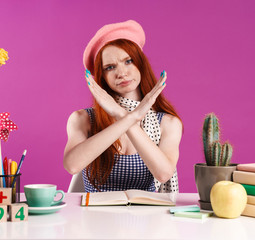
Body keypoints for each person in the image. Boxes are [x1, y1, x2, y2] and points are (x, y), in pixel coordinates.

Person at [64, 20, 183, 193]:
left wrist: (124, 117)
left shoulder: (168, 123)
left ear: (141, 64)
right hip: (92, 217)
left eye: (128, 61)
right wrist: (128, 117)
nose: (121, 73)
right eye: (110, 67)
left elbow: (164, 173)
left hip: (146, 217)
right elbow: (72, 165)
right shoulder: (82, 119)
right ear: (102, 76)